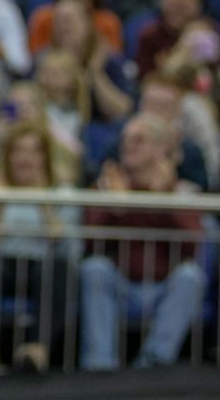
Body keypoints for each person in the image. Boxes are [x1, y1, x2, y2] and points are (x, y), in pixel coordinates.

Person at [79, 115, 206, 370]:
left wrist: (163, 200)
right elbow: (90, 242)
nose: (129, 145)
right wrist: (116, 205)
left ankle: (155, 360)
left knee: (191, 277)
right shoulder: (106, 185)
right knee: (94, 269)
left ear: (160, 148)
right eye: (126, 139)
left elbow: (192, 245)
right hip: (120, 282)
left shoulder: (179, 190)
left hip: (162, 286)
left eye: (139, 140)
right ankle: (99, 365)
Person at [0, 119, 76, 373]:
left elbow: (66, 245)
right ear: (8, 156)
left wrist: (43, 201)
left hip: (42, 266)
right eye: (18, 150)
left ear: (45, 157)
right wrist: (0, 204)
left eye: (33, 151)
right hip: (1, 264)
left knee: (60, 266)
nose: (25, 158)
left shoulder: (63, 193)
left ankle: (37, 349)